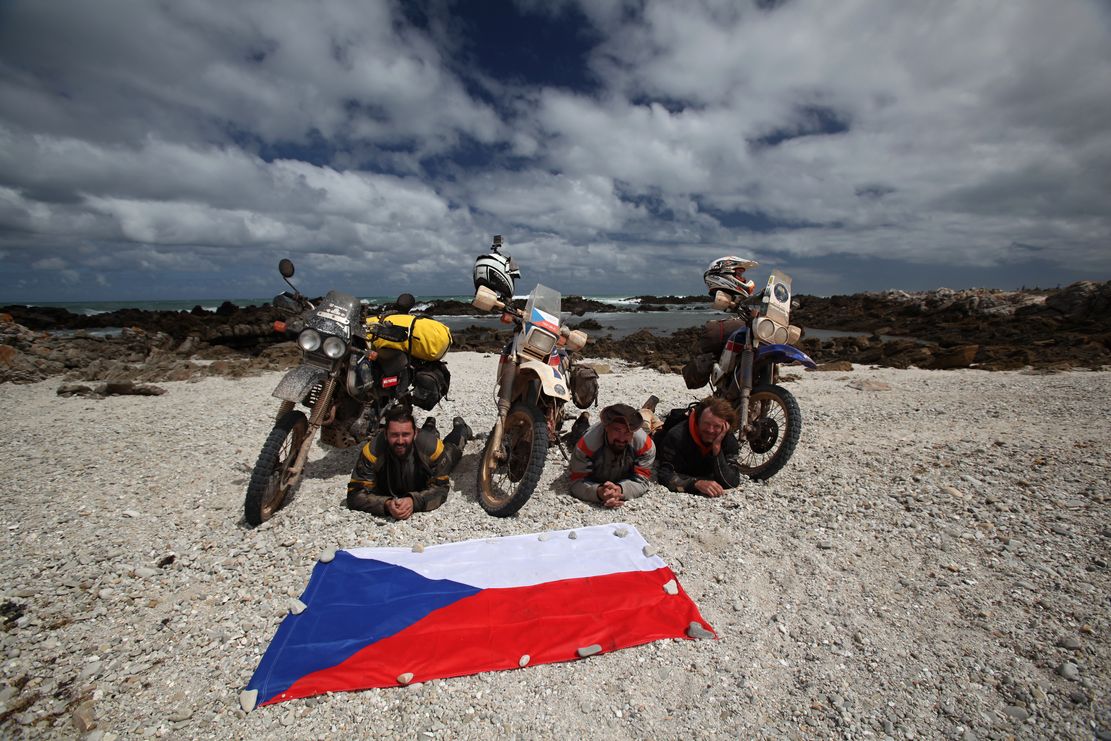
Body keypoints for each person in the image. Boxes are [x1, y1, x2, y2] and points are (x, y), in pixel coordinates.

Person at [347, 406, 472, 520]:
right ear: (385, 434)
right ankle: (430, 426)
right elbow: (355, 495)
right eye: (394, 435)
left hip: (426, 450)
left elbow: (441, 490)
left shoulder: (433, 449)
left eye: (406, 434)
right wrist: (386, 504)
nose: (400, 441)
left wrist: (414, 502)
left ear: (415, 433)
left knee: (452, 451)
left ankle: (461, 428)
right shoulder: (372, 452)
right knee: (427, 439)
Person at [569, 403, 656, 508]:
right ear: (606, 427)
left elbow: (642, 481)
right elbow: (577, 482)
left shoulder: (646, 446)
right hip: (587, 440)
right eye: (617, 430)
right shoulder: (586, 444)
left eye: (627, 432)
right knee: (575, 438)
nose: (621, 438)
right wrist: (600, 492)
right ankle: (583, 421)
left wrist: (619, 491)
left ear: (634, 432)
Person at [655, 396, 742, 497]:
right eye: (706, 424)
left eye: (717, 426)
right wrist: (695, 484)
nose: (710, 430)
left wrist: (717, 449)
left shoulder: (728, 440)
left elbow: (731, 482)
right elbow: (665, 475)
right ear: (698, 421)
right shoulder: (677, 436)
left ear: (725, 427)